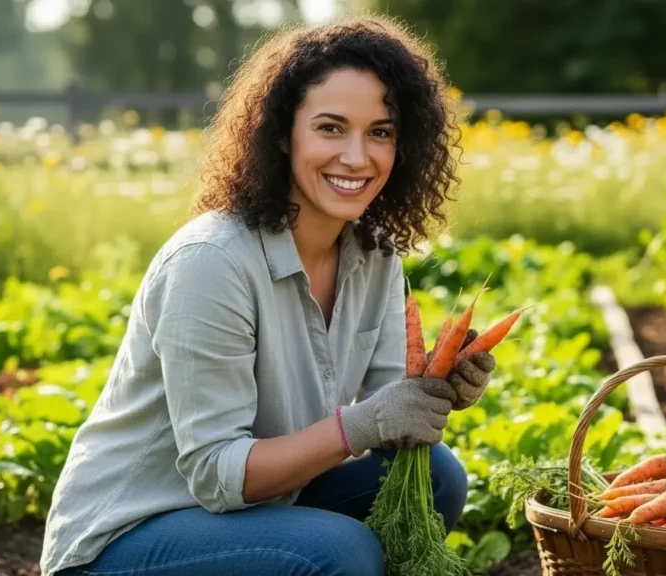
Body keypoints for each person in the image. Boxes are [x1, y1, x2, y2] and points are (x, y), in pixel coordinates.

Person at [39, 14, 497, 576]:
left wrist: (434, 389)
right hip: (127, 537)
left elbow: (387, 412)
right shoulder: (212, 262)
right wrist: (363, 423)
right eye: (331, 128)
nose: (357, 157)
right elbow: (215, 471)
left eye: (380, 131)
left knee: (436, 478)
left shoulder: (374, 254)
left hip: (257, 508)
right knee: (342, 553)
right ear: (282, 133)